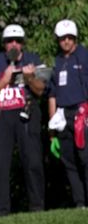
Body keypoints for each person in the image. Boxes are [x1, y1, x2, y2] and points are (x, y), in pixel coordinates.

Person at [0, 24, 46, 216]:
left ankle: (37, 207)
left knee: (33, 161)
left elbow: (41, 90)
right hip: (1, 116)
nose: (14, 44)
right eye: (10, 41)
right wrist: (4, 80)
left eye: (18, 41)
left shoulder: (32, 60)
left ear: (23, 43)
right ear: (4, 44)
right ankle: (1, 211)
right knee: (0, 164)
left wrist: (29, 78)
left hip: (27, 112)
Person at [47, 19, 88, 208]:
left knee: (85, 158)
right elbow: (52, 95)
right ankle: (79, 202)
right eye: (62, 38)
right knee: (69, 160)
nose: (66, 42)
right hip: (63, 116)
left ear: (75, 38)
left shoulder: (84, 56)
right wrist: (52, 127)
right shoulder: (57, 61)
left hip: (83, 112)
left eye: (70, 38)